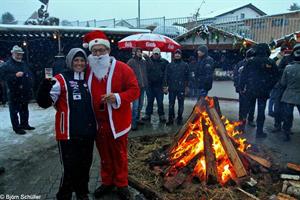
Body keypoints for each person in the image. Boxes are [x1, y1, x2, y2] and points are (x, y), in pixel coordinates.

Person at [82, 30, 140, 200]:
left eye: (101, 50)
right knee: (104, 155)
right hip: (98, 123)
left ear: (108, 51)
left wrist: (117, 97)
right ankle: (107, 182)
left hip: (117, 122)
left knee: (120, 155)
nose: (98, 54)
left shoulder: (123, 68)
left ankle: (121, 183)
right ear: (91, 53)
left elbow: (135, 90)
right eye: (95, 51)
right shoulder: (88, 70)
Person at [36, 48, 97, 200]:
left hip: (87, 132)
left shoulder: (89, 79)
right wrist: (44, 87)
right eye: (76, 60)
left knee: (85, 165)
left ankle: (82, 192)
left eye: (82, 60)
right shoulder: (60, 79)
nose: (79, 63)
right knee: (70, 168)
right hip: (68, 133)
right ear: (70, 61)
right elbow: (44, 103)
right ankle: (64, 194)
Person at [240, 43, 279, 138]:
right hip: (263, 91)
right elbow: (275, 77)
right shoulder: (270, 62)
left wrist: (242, 87)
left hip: (251, 89)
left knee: (246, 109)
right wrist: (269, 87)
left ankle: (241, 127)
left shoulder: (250, 61)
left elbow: (243, 75)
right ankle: (259, 131)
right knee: (261, 111)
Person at [0, 45, 35, 135]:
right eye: (17, 54)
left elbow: (28, 73)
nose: (19, 56)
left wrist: (30, 80)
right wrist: (14, 76)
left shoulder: (23, 63)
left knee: (24, 109)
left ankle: (24, 124)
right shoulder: (6, 65)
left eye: (21, 54)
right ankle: (17, 128)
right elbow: (2, 77)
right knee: (14, 111)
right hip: (13, 92)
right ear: (12, 53)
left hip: (24, 91)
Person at [142, 47, 169, 123]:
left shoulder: (165, 62)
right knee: (150, 101)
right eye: (154, 54)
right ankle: (147, 114)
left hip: (159, 86)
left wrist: (165, 85)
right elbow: (144, 72)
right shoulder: (147, 61)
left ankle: (161, 115)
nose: (156, 55)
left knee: (160, 101)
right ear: (152, 54)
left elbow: (166, 74)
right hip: (150, 85)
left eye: (157, 54)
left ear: (159, 54)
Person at [280, 44, 300, 141]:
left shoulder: (288, 68)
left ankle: (286, 132)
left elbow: (283, 83)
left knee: (288, 115)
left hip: (289, 95)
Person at [164, 49, 189, 125]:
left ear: (181, 55)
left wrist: (187, 87)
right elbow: (166, 76)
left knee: (181, 104)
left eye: (179, 54)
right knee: (171, 104)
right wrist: (165, 86)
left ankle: (179, 118)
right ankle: (170, 119)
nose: (177, 55)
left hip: (181, 88)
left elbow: (187, 77)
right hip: (172, 88)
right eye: (176, 54)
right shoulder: (170, 65)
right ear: (174, 55)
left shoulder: (185, 65)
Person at [233, 48, 256, 129]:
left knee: (252, 105)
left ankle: (250, 119)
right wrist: (237, 86)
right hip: (242, 88)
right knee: (242, 106)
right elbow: (235, 75)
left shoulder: (255, 64)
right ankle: (241, 122)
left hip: (252, 88)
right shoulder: (241, 64)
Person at [127, 47, 148, 130]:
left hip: (143, 87)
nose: (139, 53)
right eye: (138, 51)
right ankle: (133, 123)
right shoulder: (131, 62)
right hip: (135, 88)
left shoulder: (143, 62)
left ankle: (137, 119)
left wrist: (147, 57)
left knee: (140, 105)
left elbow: (150, 67)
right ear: (134, 53)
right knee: (135, 107)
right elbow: (127, 74)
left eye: (140, 51)